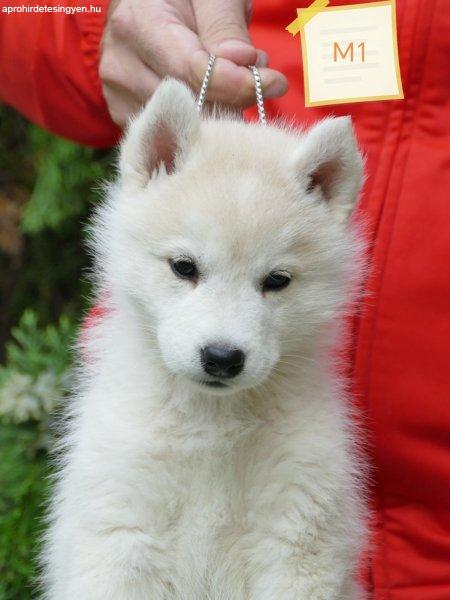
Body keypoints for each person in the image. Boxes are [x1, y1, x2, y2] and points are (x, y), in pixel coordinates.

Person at [1, 1, 449, 598]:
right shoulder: (122, 409)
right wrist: (95, 22)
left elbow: (302, 574)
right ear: (152, 162)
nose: (226, 339)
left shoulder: (308, 428)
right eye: (185, 268)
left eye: (276, 282)